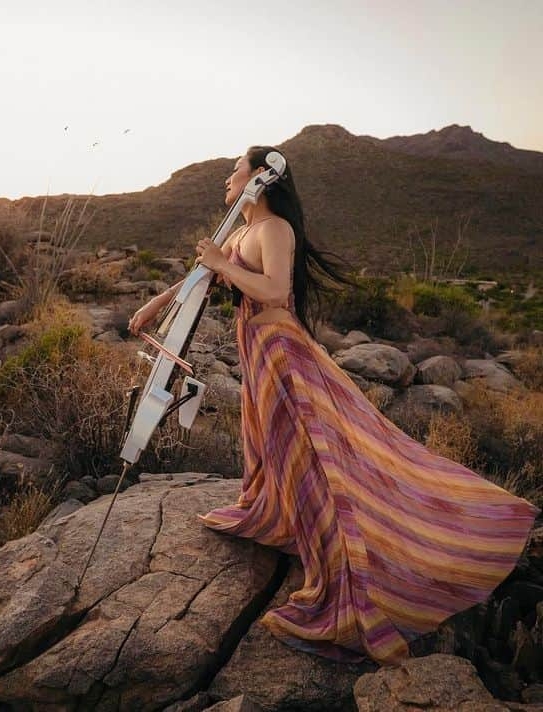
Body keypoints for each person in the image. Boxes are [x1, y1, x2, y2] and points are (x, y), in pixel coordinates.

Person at [128, 145, 540, 667]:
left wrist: (219, 264)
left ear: (260, 178)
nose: (225, 181)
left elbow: (275, 292)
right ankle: (286, 517)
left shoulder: (275, 229)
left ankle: (351, 567)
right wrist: (154, 304)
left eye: (234, 172)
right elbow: (202, 278)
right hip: (257, 354)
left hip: (284, 355)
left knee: (313, 457)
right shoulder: (239, 232)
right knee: (273, 448)